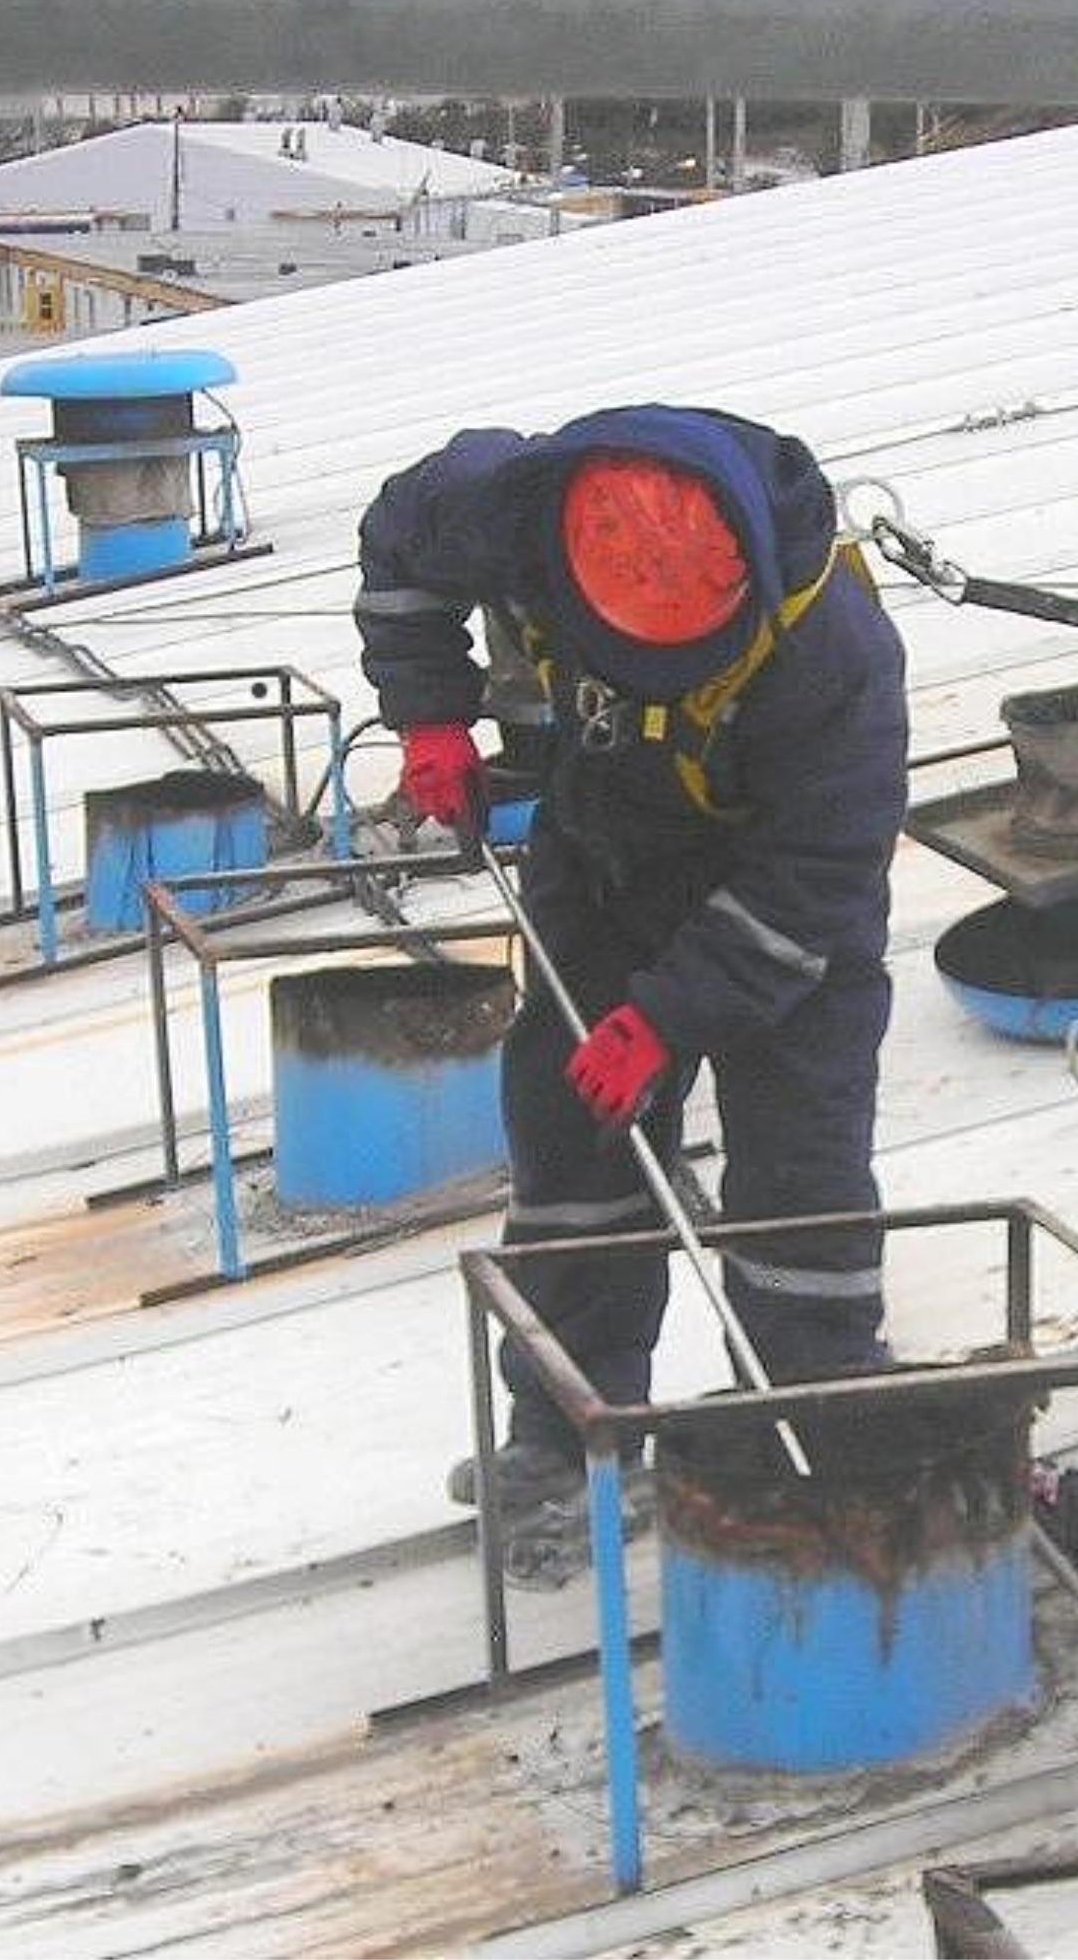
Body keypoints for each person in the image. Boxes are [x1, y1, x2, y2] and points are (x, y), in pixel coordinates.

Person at [355, 405, 907, 1548]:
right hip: (605, 863)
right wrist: (430, 715)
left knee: (800, 1173)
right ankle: (567, 1433)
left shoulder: (832, 650)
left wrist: (668, 1017)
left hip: (777, 909)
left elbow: (820, 870)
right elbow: (399, 540)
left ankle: (811, 1423)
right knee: (573, 1154)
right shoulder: (513, 508)